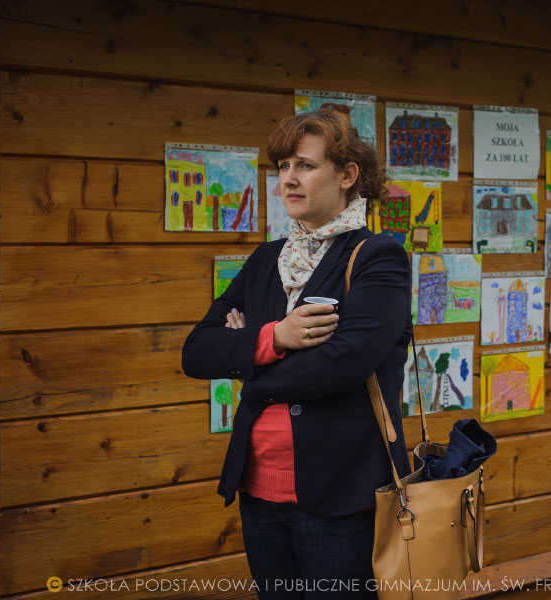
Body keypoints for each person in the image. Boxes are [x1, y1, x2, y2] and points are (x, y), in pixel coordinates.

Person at [181, 110, 412, 598]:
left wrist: (247, 368)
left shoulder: (377, 257)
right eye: (283, 166)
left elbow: (341, 367)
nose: (288, 178)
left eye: (304, 165)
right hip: (258, 487)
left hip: (339, 493)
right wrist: (275, 338)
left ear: (347, 175)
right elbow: (198, 351)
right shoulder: (268, 259)